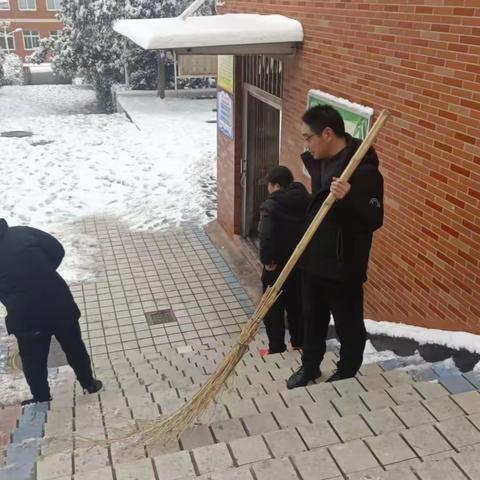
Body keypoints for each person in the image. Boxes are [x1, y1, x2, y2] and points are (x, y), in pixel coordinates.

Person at [287, 105, 384, 389]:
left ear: (327, 133)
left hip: (343, 267)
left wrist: (349, 199)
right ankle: (310, 366)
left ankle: (347, 371)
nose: (306, 144)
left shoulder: (363, 171)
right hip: (314, 259)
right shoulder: (322, 162)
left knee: (348, 324)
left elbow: (373, 219)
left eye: (308, 137)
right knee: (312, 318)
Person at [0, 219, 102, 404]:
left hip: (26, 316)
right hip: (59, 302)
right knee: (74, 346)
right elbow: (57, 250)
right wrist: (43, 272)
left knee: (32, 360)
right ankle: (89, 384)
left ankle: (42, 399)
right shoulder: (23, 233)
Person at [258, 165, 310, 356]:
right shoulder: (306, 199)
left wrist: (267, 260)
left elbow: (266, 235)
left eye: (269, 185)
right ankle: (299, 343)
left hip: (277, 265)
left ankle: (276, 348)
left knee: (272, 308)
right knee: (297, 304)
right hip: (300, 262)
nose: (268, 189)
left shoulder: (270, 206)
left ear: (277, 186)